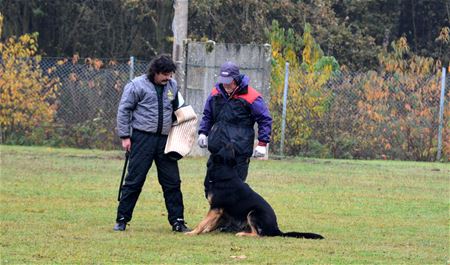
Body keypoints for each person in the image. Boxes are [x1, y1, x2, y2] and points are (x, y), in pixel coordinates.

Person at [114, 54, 189, 232]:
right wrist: (125, 136)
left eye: (170, 74)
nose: (168, 78)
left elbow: (180, 110)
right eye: (165, 74)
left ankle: (178, 221)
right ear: (155, 72)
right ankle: (122, 219)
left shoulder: (172, 86)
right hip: (142, 139)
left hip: (165, 141)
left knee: (172, 182)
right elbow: (124, 110)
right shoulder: (136, 85)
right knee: (134, 181)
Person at [198, 61, 272, 185]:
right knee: (211, 186)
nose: (225, 84)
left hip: (239, 151)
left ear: (236, 79)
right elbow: (208, 115)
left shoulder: (252, 97)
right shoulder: (215, 93)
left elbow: (264, 119)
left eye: (229, 81)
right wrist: (203, 132)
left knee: (234, 190)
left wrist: (262, 143)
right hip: (218, 149)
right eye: (223, 80)